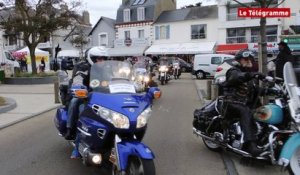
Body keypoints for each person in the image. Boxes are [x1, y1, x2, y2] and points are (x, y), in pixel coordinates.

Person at [222, 49, 265, 157]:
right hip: (231, 102)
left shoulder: (249, 76)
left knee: (266, 111)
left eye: (249, 59)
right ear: (238, 60)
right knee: (245, 111)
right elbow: (235, 78)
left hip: (244, 103)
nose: (248, 61)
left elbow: (255, 90)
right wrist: (252, 75)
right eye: (245, 59)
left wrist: (274, 89)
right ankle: (250, 145)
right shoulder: (233, 71)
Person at [64, 47, 108, 141]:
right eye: (100, 58)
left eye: (104, 58)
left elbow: (111, 78)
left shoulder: (105, 68)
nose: (102, 61)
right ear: (92, 58)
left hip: (99, 94)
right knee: (74, 102)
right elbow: (78, 78)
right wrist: (79, 86)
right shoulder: (83, 66)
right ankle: (69, 128)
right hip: (83, 94)